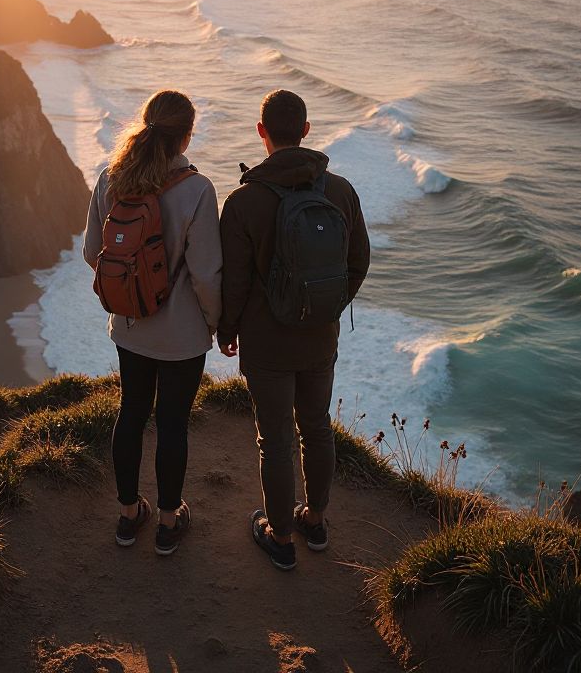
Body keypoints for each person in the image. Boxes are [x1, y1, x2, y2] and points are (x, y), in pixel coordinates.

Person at [218, 89, 370, 570]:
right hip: (320, 335)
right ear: (306, 130)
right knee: (317, 427)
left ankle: (281, 537)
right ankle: (316, 520)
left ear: (261, 132)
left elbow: (235, 280)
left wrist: (227, 329)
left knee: (275, 439)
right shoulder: (340, 190)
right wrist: (325, 306)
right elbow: (358, 262)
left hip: (266, 341)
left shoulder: (243, 202)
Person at [83, 89, 222, 555]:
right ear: (186, 135)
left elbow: (91, 253)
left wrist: (131, 291)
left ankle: (127, 517)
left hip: (129, 326)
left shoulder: (111, 177)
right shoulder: (198, 190)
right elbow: (206, 272)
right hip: (181, 336)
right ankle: (168, 522)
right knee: (173, 423)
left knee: (131, 412)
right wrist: (216, 323)